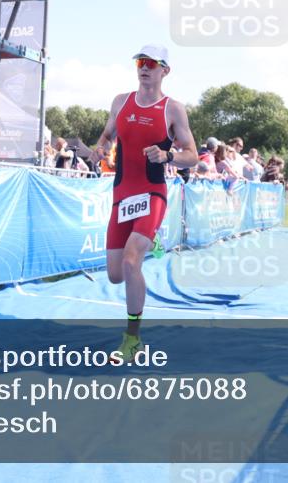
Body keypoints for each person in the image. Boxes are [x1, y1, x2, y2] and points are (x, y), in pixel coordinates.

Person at [90, 44, 198, 363]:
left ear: (165, 70)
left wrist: (168, 156)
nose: (144, 67)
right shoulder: (120, 101)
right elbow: (106, 136)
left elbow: (191, 155)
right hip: (122, 194)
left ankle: (132, 339)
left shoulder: (173, 109)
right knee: (114, 274)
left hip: (152, 193)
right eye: (140, 61)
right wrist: (99, 150)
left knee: (131, 260)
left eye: (151, 63)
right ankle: (150, 238)